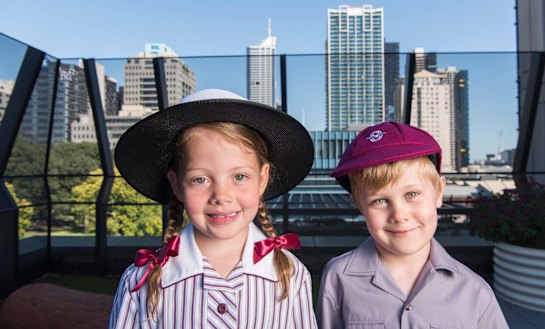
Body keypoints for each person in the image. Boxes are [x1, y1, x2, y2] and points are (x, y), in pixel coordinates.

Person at [109, 89, 317, 328]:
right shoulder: (139, 280)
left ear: (262, 179)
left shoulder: (291, 274)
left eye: (239, 176)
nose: (221, 196)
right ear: (176, 184)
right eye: (200, 179)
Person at [317, 122, 509, 328]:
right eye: (379, 201)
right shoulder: (338, 278)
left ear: (438, 193)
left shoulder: (475, 292)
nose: (399, 215)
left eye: (412, 194)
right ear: (360, 205)